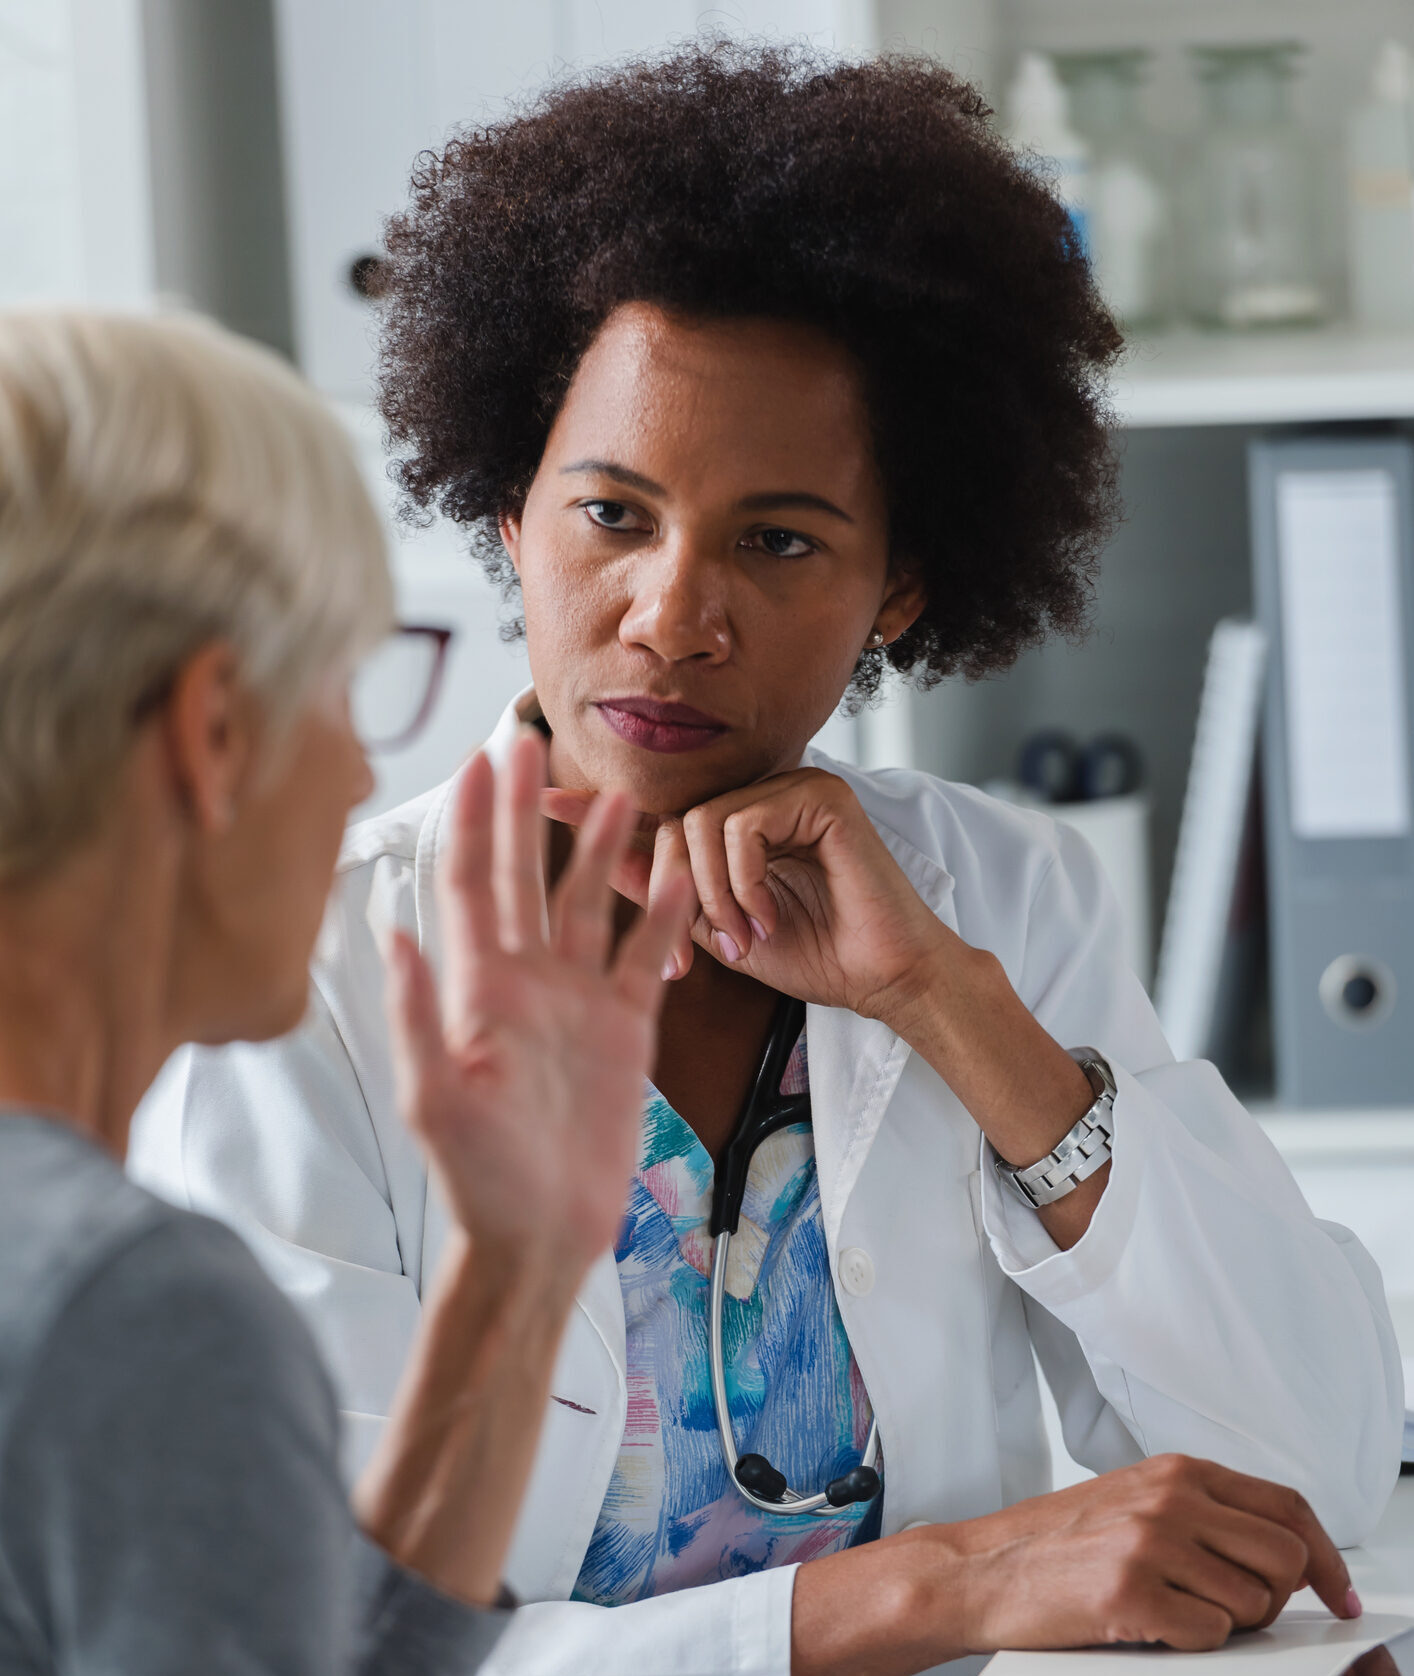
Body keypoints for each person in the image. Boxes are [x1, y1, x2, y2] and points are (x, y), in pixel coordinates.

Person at [132, 42, 1405, 1676]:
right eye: (608, 516)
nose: (671, 616)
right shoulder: (296, 968)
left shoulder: (995, 901)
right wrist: (926, 1592)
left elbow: (1314, 1463)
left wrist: (955, 1011)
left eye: (780, 539)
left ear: (901, 589)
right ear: (506, 520)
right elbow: (286, 1633)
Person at [0, 308, 689, 1675]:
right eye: (343, 684)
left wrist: (519, 1270)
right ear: (212, 732)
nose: (363, 778)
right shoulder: (130, 1309)